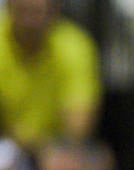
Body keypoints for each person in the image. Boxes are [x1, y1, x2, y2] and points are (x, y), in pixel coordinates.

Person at [0, 0, 100, 152]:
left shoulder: (74, 46)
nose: (29, 22)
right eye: (23, 10)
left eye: (38, 12)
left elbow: (79, 123)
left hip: (55, 149)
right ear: (9, 7)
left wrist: (50, 149)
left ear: (55, 11)